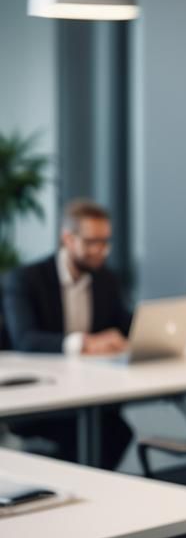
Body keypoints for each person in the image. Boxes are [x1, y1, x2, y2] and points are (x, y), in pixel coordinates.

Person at [2, 199, 134, 469]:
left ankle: (97, 494)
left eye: (105, 242)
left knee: (117, 432)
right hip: (41, 398)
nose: (100, 251)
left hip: (90, 388)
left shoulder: (105, 279)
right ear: (68, 239)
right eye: (92, 242)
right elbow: (25, 339)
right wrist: (84, 342)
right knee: (91, 437)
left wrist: (139, 335)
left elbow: (124, 323)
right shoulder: (26, 279)